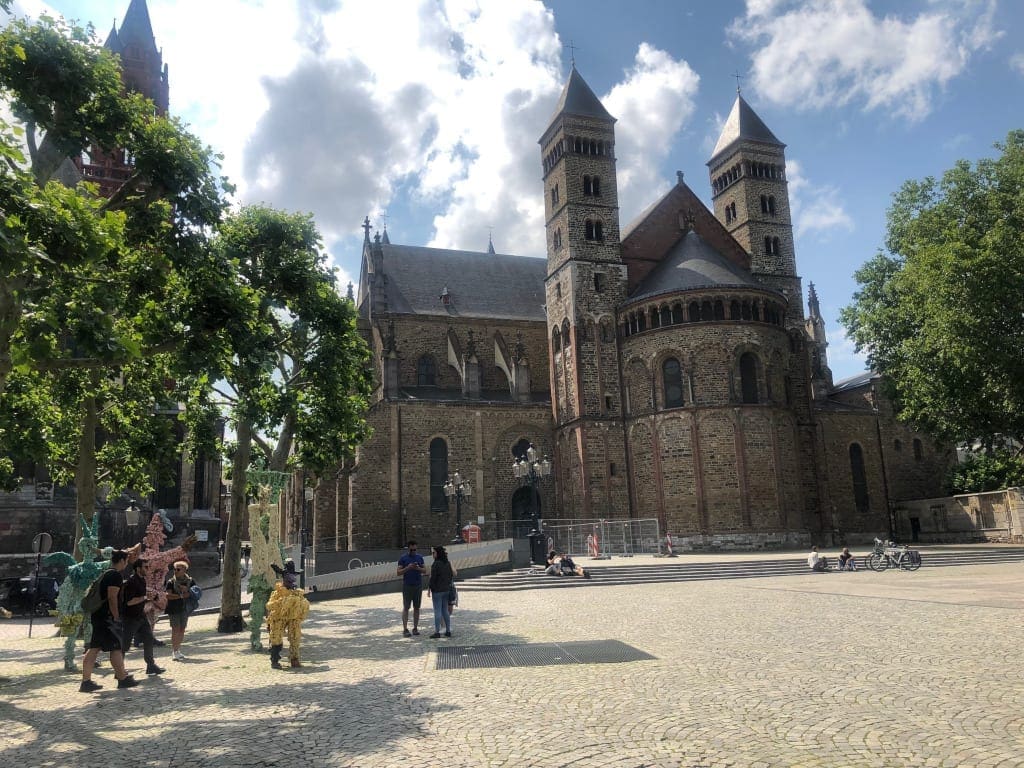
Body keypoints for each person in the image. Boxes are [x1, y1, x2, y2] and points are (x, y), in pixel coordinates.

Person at [79, 549, 139, 692]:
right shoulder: (115, 575)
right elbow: (112, 597)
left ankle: (86, 681)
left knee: (94, 648)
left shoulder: (105, 574)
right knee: (115, 648)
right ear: (123, 561)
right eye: (126, 561)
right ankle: (122, 678)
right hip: (108, 618)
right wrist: (116, 616)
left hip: (98, 616)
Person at [121, 559, 164, 676]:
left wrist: (149, 599)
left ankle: (151, 666)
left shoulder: (142, 580)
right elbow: (129, 602)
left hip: (140, 616)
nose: (147, 569)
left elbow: (141, 598)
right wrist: (145, 598)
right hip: (130, 618)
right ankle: (119, 670)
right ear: (137, 568)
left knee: (149, 639)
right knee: (125, 645)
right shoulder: (132, 582)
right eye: (145, 567)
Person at [266, 559, 311, 669]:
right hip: (279, 616)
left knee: (295, 636)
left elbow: (303, 606)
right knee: (276, 636)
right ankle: (275, 660)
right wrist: (280, 602)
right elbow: (269, 605)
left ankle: (294, 659)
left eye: (292, 578)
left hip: (293, 617)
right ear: (284, 578)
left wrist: (301, 606)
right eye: (288, 578)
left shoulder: (297, 593)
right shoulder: (278, 592)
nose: (291, 581)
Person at [165, 561, 196, 660]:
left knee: (182, 629)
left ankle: (178, 650)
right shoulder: (171, 582)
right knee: (175, 629)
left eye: (178, 569)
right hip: (173, 608)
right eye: (174, 569)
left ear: (184, 570)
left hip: (184, 608)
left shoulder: (190, 581)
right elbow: (168, 596)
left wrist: (187, 590)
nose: (176, 571)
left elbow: (195, 593)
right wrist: (181, 595)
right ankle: (174, 651)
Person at [397, 541, 426, 637]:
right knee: (406, 607)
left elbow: (425, 570)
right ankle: (405, 629)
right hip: (407, 586)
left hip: (418, 585)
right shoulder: (403, 558)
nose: (413, 551)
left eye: (415, 549)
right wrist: (408, 568)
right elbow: (398, 572)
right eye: (411, 550)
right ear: (408, 548)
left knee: (417, 607)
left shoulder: (420, 557)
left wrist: (418, 568)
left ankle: (415, 628)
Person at [427, 546, 456, 639]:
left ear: (437, 553)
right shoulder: (447, 563)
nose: (432, 555)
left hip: (437, 591)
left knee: (437, 611)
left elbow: (433, 578)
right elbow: (450, 576)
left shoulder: (436, 564)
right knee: (445, 611)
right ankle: (448, 630)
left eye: (433, 553)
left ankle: (437, 632)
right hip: (446, 590)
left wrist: (431, 589)